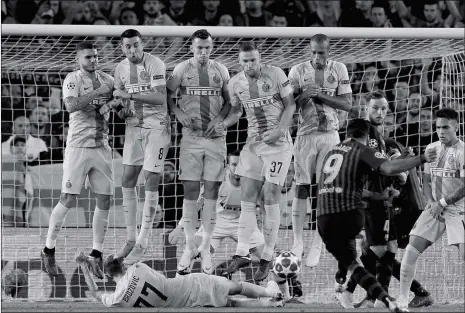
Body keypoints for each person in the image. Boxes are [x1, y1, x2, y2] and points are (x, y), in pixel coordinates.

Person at [317, 118, 437, 312]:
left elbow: (393, 174)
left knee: (376, 250)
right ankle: (392, 295)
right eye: (374, 108)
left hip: (328, 212)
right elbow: (387, 169)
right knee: (376, 250)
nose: (379, 113)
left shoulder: (332, 150)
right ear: (366, 134)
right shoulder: (365, 149)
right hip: (357, 208)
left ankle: (367, 293)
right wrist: (421, 158)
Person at [166, 29, 240, 275]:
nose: (203, 52)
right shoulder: (180, 70)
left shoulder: (221, 70)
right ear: (192, 47)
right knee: (189, 192)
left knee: (210, 193)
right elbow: (167, 94)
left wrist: (219, 119)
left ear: (212, 47)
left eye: (207, 48)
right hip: (190, 138)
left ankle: (205, 247)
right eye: (199, 48)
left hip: (216, 139)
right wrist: (178, 114)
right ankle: (190, 246)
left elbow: (229, 101)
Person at [221, 41, 296, 281]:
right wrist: (222, 125)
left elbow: (291, 105)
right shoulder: (235, 83)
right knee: (248, 197)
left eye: (253, 60)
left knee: (271, 194)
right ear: (239, 62)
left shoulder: (275, 74)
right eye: (245, 61)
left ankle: (267, 256)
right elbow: (236, 112)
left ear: (259, 58)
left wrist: (278, 131)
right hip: (252, 144)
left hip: (278, 143)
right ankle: (242, 253)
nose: (249, 65)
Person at [40, 41, 116, 278]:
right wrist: (96, 94)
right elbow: (72, 106)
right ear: (78, 60)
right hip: (78, 147)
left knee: (105, 200)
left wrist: (117, 104)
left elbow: (116, 104)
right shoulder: (72, 79)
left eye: (95, 56)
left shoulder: (109, 80)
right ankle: (48, 250)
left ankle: (96, 254)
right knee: (68, 198)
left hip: (102, 147)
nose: (93, 61)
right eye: (88, 58)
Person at [287, 33, 353, 268]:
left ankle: (317, 242)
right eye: (313, 52)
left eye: (321, 52)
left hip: (330, 136)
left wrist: (321, 95)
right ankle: (297, 241)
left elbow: (348, 104)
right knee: (302, 187)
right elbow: (288, 106)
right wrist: (305, 94)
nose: (317, 56)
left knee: (325, 189)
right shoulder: (296, 71)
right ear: (309, 51)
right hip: (305, 135)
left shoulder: (339, 70)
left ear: (328, 51)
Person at [109, 29, 171, 265]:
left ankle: (144, 240)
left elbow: (160, 98)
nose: (133, 50)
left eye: (136, 45)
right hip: (133, 128)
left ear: (142, 44)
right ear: (122, 48)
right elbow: (120, 101)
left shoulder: (155, 64)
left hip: (157, 127)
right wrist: (120, 108)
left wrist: (129, 96)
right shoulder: (120, 69)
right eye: (128, 46)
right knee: (127, 179)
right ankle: (131, 237)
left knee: (151, 178)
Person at [398, 108, 464, 310]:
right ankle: (401, 299)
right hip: (434, 208)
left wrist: (441, 203)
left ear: (456, 127)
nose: (441, 131)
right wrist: (429, 203)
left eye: (446, 127)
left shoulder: (463, 152)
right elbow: (425, 180)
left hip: (458, 209)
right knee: (410, 250)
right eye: (438, 127)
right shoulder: (432, 148)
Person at [75, 252, 284, 308]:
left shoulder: (116, 299)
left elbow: (94, 293)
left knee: (233, 304)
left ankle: (271, 305)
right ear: (122, 264)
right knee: (235, 287)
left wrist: (84, 267)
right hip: (192, 284)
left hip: (188, 304)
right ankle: (272, 293)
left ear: (109, 276)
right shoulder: (139, 268)